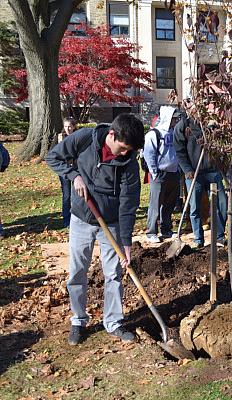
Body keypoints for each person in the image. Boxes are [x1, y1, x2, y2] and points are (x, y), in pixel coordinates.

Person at [46, 113, 144, 345]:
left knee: (114, 275)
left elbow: (128, 203)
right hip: (81, 217)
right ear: (111, 134)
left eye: (129, 150)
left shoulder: (129, 161)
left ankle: (113, 322)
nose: (124, 153)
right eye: (122, 148)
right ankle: (78, 320)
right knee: (78, 272)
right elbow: (53, 158)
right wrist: (74, 177)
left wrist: (126, 243)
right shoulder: (84, 138)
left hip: (111, 222)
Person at [173, 99, 227, 248]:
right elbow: (179, 151)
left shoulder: (210, 126)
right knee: (195, 206)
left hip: (212, 170)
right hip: (193, 173)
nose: (196, 111)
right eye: (192, 108)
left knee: (221, 202)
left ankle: (219, 237)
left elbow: (220, 145)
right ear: (187, 109)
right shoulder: (183, 126)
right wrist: (187, 169)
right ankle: (199, 239)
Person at [143, 106, 181, 243]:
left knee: (169, 203)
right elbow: (149, 153)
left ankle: (166, 229)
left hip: (173, 172)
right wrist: (153, 172)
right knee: (155, 203)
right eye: (174, 118)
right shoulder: (154, 134)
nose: (176, 120)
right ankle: (151, 231)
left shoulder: (173, 132)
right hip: (159, 173)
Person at [56, 117, 77, 228]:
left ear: (73, 126)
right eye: (65, 126)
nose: (68, 129)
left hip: (76, 171)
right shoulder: (59, 138)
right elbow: (52, 154)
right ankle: (66, 220)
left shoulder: (78, 137)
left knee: (77, 195)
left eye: (69, 126)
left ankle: (77, 218)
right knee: (67, 196)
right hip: (64, 172)